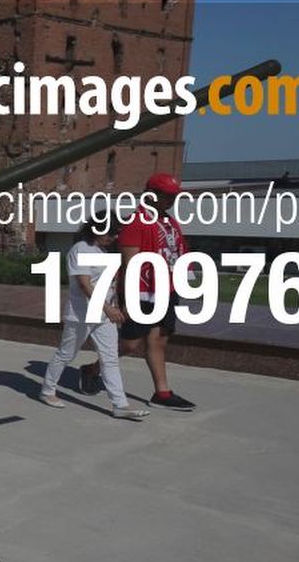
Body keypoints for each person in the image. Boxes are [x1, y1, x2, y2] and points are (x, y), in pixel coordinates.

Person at [80, 172, 194, 411]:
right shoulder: (135, 222)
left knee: (159, 340)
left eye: (174, 196)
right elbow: (131, 263)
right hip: (142, 292)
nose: (171, 200)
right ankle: (92, 369)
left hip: (165, 289)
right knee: (131, 344)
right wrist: (129, 299)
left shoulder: (170, 223)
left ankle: (161, 392)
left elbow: (176, 253)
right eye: (167, 195)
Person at [41, 221, 146, 420]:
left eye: (116, 233)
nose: (114, 237)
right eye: (111, 232)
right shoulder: (80, 249)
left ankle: (120, 405)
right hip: (81, 314)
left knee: (110, 358)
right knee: (66, 354)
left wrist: (116, 305)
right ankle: (47, 390)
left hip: (103, 316)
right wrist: (107, 308)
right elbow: (84, 284)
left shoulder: (101, 252)